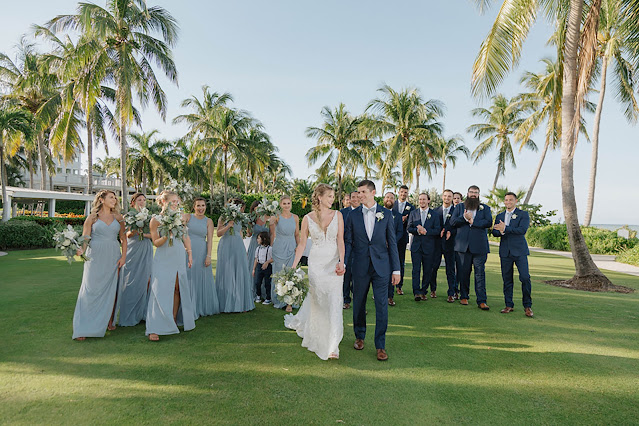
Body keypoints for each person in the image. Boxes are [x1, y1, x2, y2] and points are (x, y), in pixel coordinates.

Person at [284, 184, 345, 360]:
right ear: (319, 197)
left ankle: (333, 345)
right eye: (329, 196)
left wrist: (342, 262)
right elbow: (302, 244)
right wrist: (293, 266)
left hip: (334, 265)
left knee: (334, 301)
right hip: (316, 265)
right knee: (318, 303)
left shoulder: (338, 215)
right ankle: (318, 336)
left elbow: (341, 241)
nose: (332, 200)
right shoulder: (307, 218)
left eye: (333, 196)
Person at [344, 180, 400, 361]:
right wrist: (344, 264)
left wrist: (396, 270)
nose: (359, 195)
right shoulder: (352, 216)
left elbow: (392, 243)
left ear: (373, 192)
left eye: (362, 192)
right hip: (359, 266)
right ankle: (359, 336)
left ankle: (380, 345)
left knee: (382, 306)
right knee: (359, 303)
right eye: (358, 193)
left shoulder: (386, 214)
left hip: (382, 267)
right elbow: (349, 243)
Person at [72, 190, 127, 340]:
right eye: (111, 197)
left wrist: (123, 257)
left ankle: (107, 322)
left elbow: (123, 239)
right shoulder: (92, 218)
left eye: (115, 198)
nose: (114, 200)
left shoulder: (119, 218)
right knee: (90, 290)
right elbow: (85, 238)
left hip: (113, 256)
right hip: (95, 257)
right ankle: (82, 327)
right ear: (101, 200)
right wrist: (80, 250)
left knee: (111, 290)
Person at [146, 191, 196, 341]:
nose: (175, 204)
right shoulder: (155, 220)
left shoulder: (180, 218)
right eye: (172, 201)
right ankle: (154, 327)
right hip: (163, 256)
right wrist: (167, 234)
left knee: (176, 288)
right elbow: (156, 242)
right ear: (163, 202)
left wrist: (190, 254)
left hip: (178, 254)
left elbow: (185, 236)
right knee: (159, 289)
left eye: (177, 201)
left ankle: (172, 320)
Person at [450, 185, 492, 310]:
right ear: (467, 193)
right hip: (463, 247)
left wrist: (473, 222)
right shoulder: (459, 207)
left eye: (476, 192)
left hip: (479, 247)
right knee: (463, 273)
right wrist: (464, 218)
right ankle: (464, 296)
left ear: (479, 194)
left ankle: (482, 300)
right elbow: (452, 222)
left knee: (480, 274)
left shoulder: (485, 208)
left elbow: (488, 222)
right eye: (471, 192)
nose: (473, 194)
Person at [492, 192, 534, 317]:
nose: (508, 202)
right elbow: (494, 232)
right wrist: (500, 231)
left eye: (511, 200)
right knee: (507, 279)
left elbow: (522, 230)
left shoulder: (523, 214)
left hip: (520, 251)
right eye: (506, 200)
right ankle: (508, 305)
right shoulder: (500, 215)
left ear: (516, 201)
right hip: (505, 252)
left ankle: (527, 306)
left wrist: (506, 228)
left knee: (525, 277)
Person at [117, 192, 152, 327]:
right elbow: (127, 235)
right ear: (133, 203)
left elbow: (154, 235)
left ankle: (144, 313)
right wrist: (137, 228)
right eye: (139, 200)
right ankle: (129, 315)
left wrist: (144, 232)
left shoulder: (150, 217)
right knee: (131, 280)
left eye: (143, 200)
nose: (142, 202)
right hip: (133, 248)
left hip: (146, 247)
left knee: (147, 279)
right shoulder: (128, 216)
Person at [216, 199, 256, 313]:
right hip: (226, 245)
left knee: (240, 272)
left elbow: (242, 233)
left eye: (242, 208)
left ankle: (241, 303)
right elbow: (218, 233)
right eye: (240, 207)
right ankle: (225, 303)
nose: (241, 210)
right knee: (227, 272)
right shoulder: (223, 217)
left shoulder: (240, 218)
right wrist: (228, 225)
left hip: (238, 245)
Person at [185, 197, 220, 318]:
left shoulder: (208, 221)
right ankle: (188, 308)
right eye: (198, 206)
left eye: (203, 206)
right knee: (189, 277)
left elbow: (210, 240)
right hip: (187, 251)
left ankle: (200, 307)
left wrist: (208, 256)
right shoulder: (187, 217)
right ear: (193, 207)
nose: (201, 208)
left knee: (200, 278)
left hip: (201, 251)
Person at [407, 193, 443, 301]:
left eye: (424, 199)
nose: (422, 201)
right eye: (420, 199)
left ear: (428, 201)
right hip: (416, 247)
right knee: (416, 270)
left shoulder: (434, 214)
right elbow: (409, 228)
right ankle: (416, 292)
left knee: (428, 270)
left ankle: (424, 291)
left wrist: (426, 231)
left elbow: (437, 230)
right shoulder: (413, 213)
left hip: (429, 247)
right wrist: (418, 230)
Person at [270, 195, 300, 311]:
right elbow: (272, 233)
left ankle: (290, 302)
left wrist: (298, 247)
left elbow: (297, 234)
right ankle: (279, 299)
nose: (287, 206)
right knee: (279, 274)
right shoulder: (276, 216)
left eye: (288, 203)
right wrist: (271, 223)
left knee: (291, 274)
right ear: (280, 205)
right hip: (279, 247)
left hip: (291, 246)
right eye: (284, 203)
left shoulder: (296, 217)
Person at [431, 189, 458, 303]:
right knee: (433, 268)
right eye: (445, 196)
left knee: (450, 269)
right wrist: (439, 231)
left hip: (450, 244)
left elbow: (459, 226)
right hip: (437, 244)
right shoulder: (435, 211)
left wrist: (450, 231)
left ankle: (451, 293)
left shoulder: (457, 211)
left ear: (452, 198)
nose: (447, 198)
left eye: (449, 196)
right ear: (442, 197)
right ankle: (433, 289)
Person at [383, 191, 404, 306]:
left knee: (391, 271)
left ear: (394, 200)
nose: (389, 199)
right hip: (379, 248)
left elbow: (400, 231)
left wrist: (392, 242)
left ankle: (390, 296)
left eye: (391, 198)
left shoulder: (398, 215)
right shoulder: (378, 212)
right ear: (384, 199)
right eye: (387, 197)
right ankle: (380, 294)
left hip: (391, 248)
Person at [393, 185, 414, 296]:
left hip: (403, 238)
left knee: (401, 262)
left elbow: (413, 220)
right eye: (401, 192)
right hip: (390, 237)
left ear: (407, 194)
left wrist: (406, 220)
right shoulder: (392, 204)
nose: (403, 194)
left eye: (405, 192)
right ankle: (387, 285)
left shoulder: (411, 207)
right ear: (398, 192)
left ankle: (399, 286)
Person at [341, 191, 360, 309]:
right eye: (353, 197)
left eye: (358, 197)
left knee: (359, 276)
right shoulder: (342, 213)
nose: (355, 199)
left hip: (360, 250)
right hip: (346, 248)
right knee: (346, 275)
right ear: (350, 198)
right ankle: (345, 299)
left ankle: (358, 301)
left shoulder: (365, 211)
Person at [252, 231, 273, 305]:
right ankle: (258, 295)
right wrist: (254, 269)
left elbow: (273, 258)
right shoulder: (258, 248)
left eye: (258, 238)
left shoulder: (270, 249)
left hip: (267, 267)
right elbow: (256, 259)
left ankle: (268, 298)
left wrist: (267, 262)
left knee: (267, 283)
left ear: (263, 239)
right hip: (259, 266)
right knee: (257, 282)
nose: (257, 240)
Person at [452, 192, 464, 299]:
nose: (456, 200)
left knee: (459, 268)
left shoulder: (463, 211)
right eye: (454, 198)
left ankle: (457, 290)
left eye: (458, 198)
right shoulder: (450, 210)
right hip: (448, 242)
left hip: (460, 243)